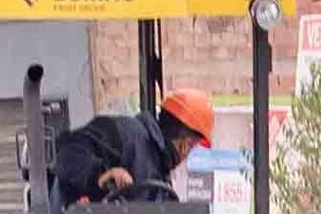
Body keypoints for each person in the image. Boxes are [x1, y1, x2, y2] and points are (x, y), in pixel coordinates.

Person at [50, 85, 214, 205]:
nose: (187, 154)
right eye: (192, 147)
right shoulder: (126, 134)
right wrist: (101, 175)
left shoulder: (161, 181)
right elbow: (68, 152)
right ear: (186, 144)